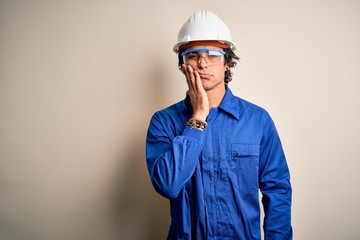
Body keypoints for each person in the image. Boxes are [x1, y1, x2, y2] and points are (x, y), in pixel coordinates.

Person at [146, 10, 292, 239]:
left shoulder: (258, 120)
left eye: (213, 54)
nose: (202, 63)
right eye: (192, 55)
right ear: (183, 65)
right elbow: (167, 184)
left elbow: (278, 191)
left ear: (227, 62)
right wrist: (198, 117)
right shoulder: (163, 122)